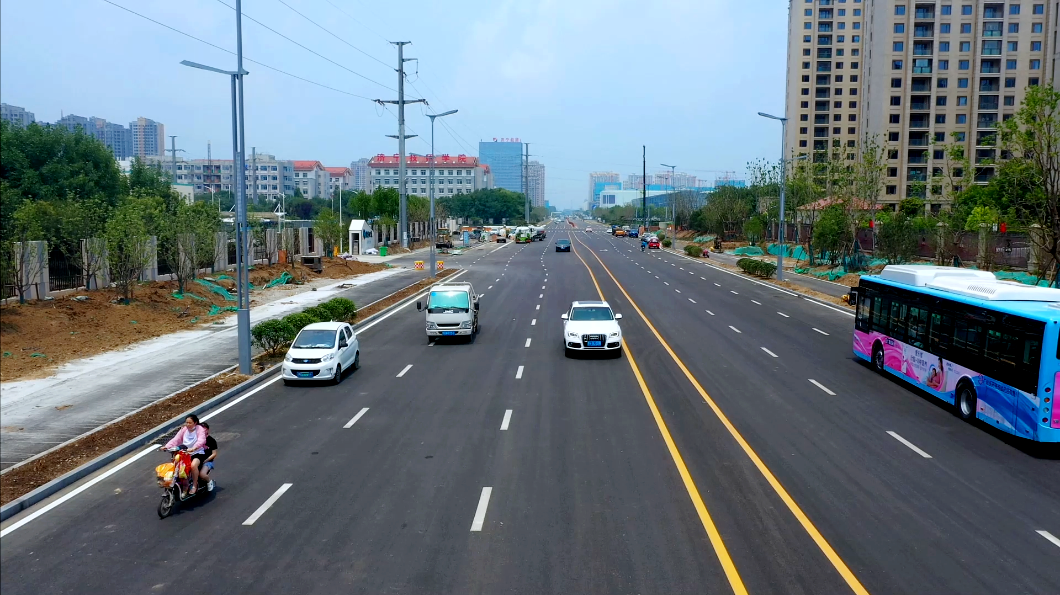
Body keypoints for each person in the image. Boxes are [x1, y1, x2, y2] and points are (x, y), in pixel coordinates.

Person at [163, 415, 207, 495]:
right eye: (186, 422)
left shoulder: (199, 429)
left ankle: (194, 485)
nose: (187, 424)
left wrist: (194, 448)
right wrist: (167, 446)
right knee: (175, 466)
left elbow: (201, 440)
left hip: (197, 453)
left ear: (195, 423)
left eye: (190, 423)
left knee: (193, 465)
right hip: (185, 453)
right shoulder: (184, 429)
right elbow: (176, 439)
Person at [199, 422, 218, 492]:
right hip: (197, 459)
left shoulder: (211, 440)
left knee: (202, 474)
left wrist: (206, 460)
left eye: (204, 429)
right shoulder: (197, 439)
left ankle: (209, 482)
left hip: (207, 462)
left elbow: (214, 454)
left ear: (208, 430)